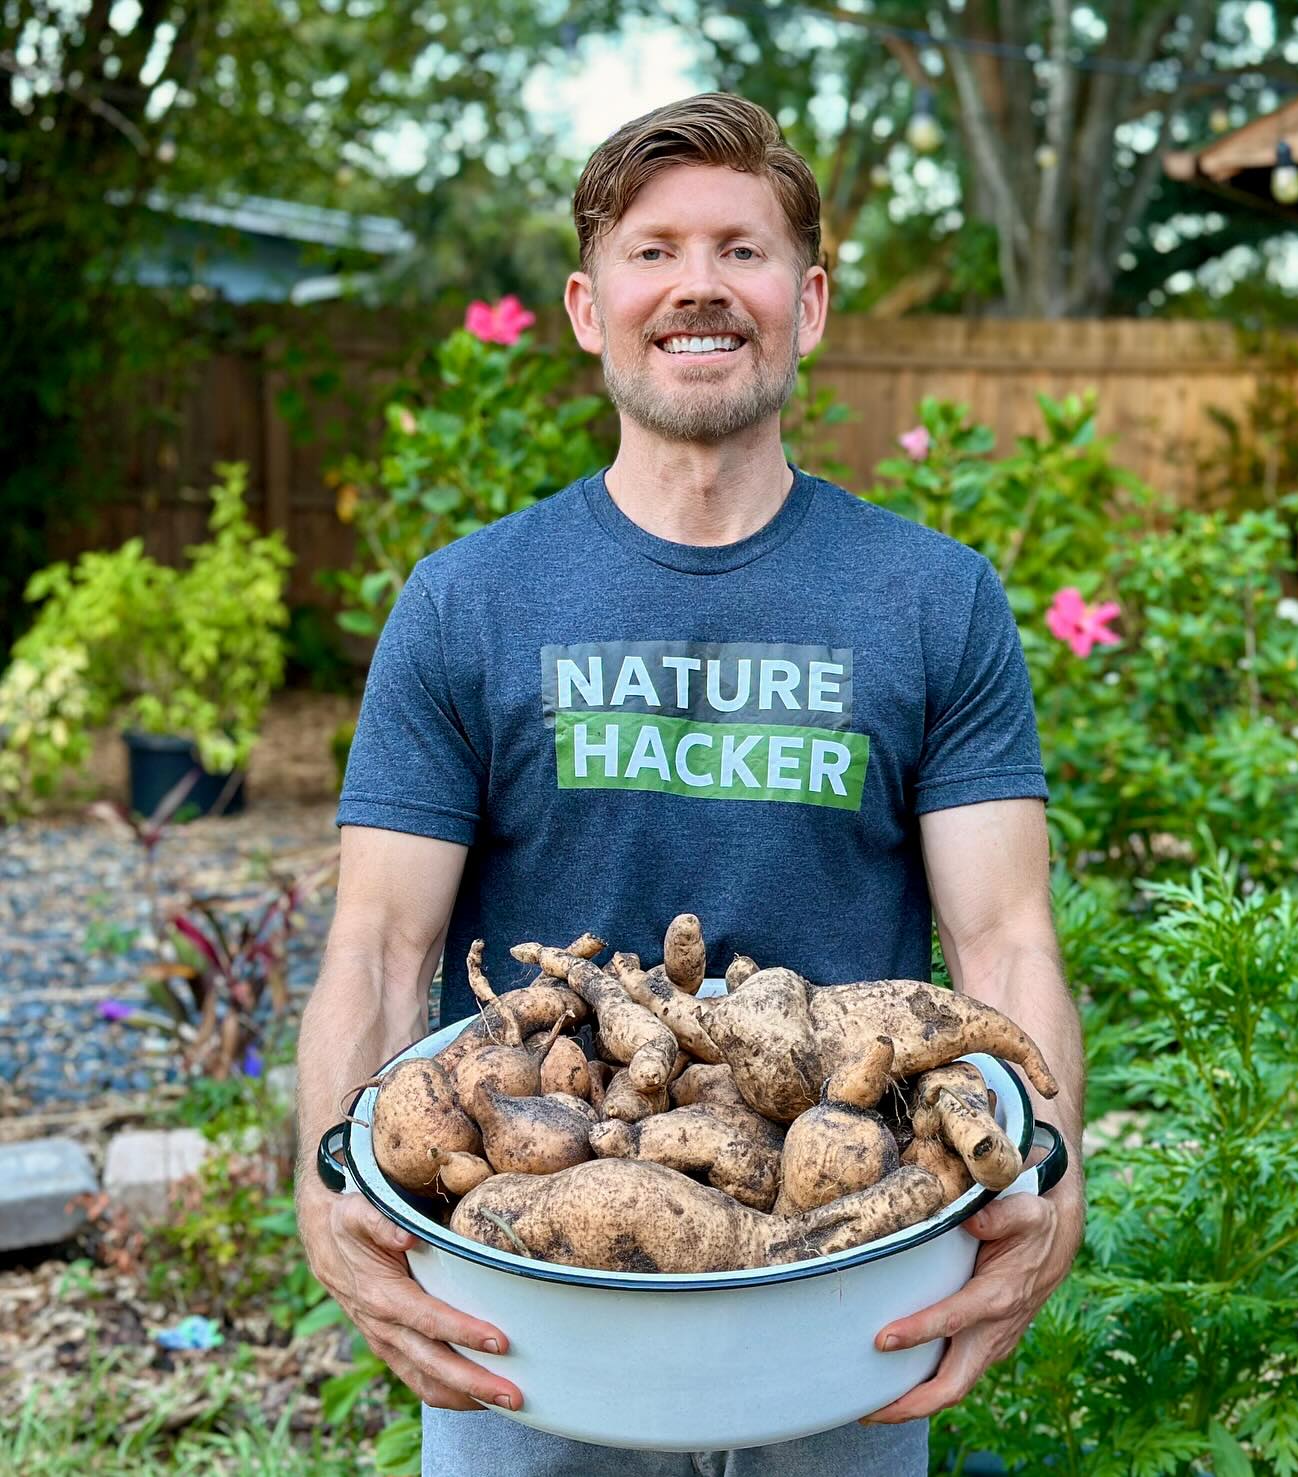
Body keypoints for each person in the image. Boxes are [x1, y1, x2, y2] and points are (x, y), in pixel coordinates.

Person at [294, 91, 1086, 1477]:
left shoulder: (931, 600)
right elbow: (378, 946)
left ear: (809, 301)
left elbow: (1006, 935)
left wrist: (1054, 1174)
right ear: (588, 307)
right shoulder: (468, 603)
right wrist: (328, 1186)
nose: (699, 286)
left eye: (743, 249)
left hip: (844, 1283)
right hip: (535, 1304)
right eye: (653, 252)